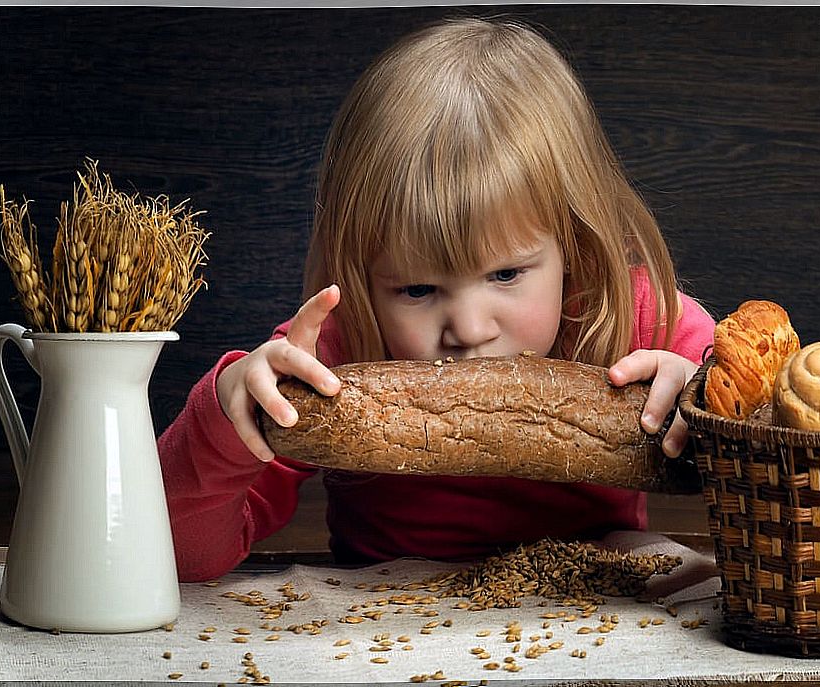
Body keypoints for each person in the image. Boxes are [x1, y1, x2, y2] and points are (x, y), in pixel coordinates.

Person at [159, 17, 715, 582]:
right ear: (362, 278)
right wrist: (223, 419)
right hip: (384, 634)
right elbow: (179, 556)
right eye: (417, 289)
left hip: (598, 620)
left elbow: (783, 473)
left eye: (505, 274)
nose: (469, 330)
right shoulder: (323, 356)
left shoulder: (637, 320)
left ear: (573, 244)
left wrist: (710, 410)